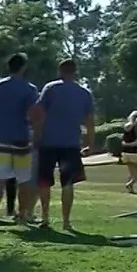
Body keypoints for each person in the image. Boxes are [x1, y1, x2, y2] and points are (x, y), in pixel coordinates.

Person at [33, 58, 94, 230]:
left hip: (49, 142)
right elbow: (90, 122)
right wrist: (89, 144)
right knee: (68, 183)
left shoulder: (51, 88)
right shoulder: (84, 92)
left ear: (60, 71)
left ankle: (45, 218)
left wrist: (37, 136)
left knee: (44, 181)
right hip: (71, 144)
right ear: (75, 72)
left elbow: (40, 114)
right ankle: (66, 221)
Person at [0, 53, 40, 224]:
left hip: (1, 138)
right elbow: (33, 115)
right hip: (21, 140)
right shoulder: (29, 89)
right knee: (23, 179)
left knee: (0, 178)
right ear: (23, 67)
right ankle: (22, 214)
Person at [121, 110, 137, 193]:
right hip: (135, 153)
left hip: (125, 153)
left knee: (132, 172)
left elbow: (123, 141)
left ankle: (130, 188)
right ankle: (130, 184)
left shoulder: (126, 127)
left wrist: (126, 145)